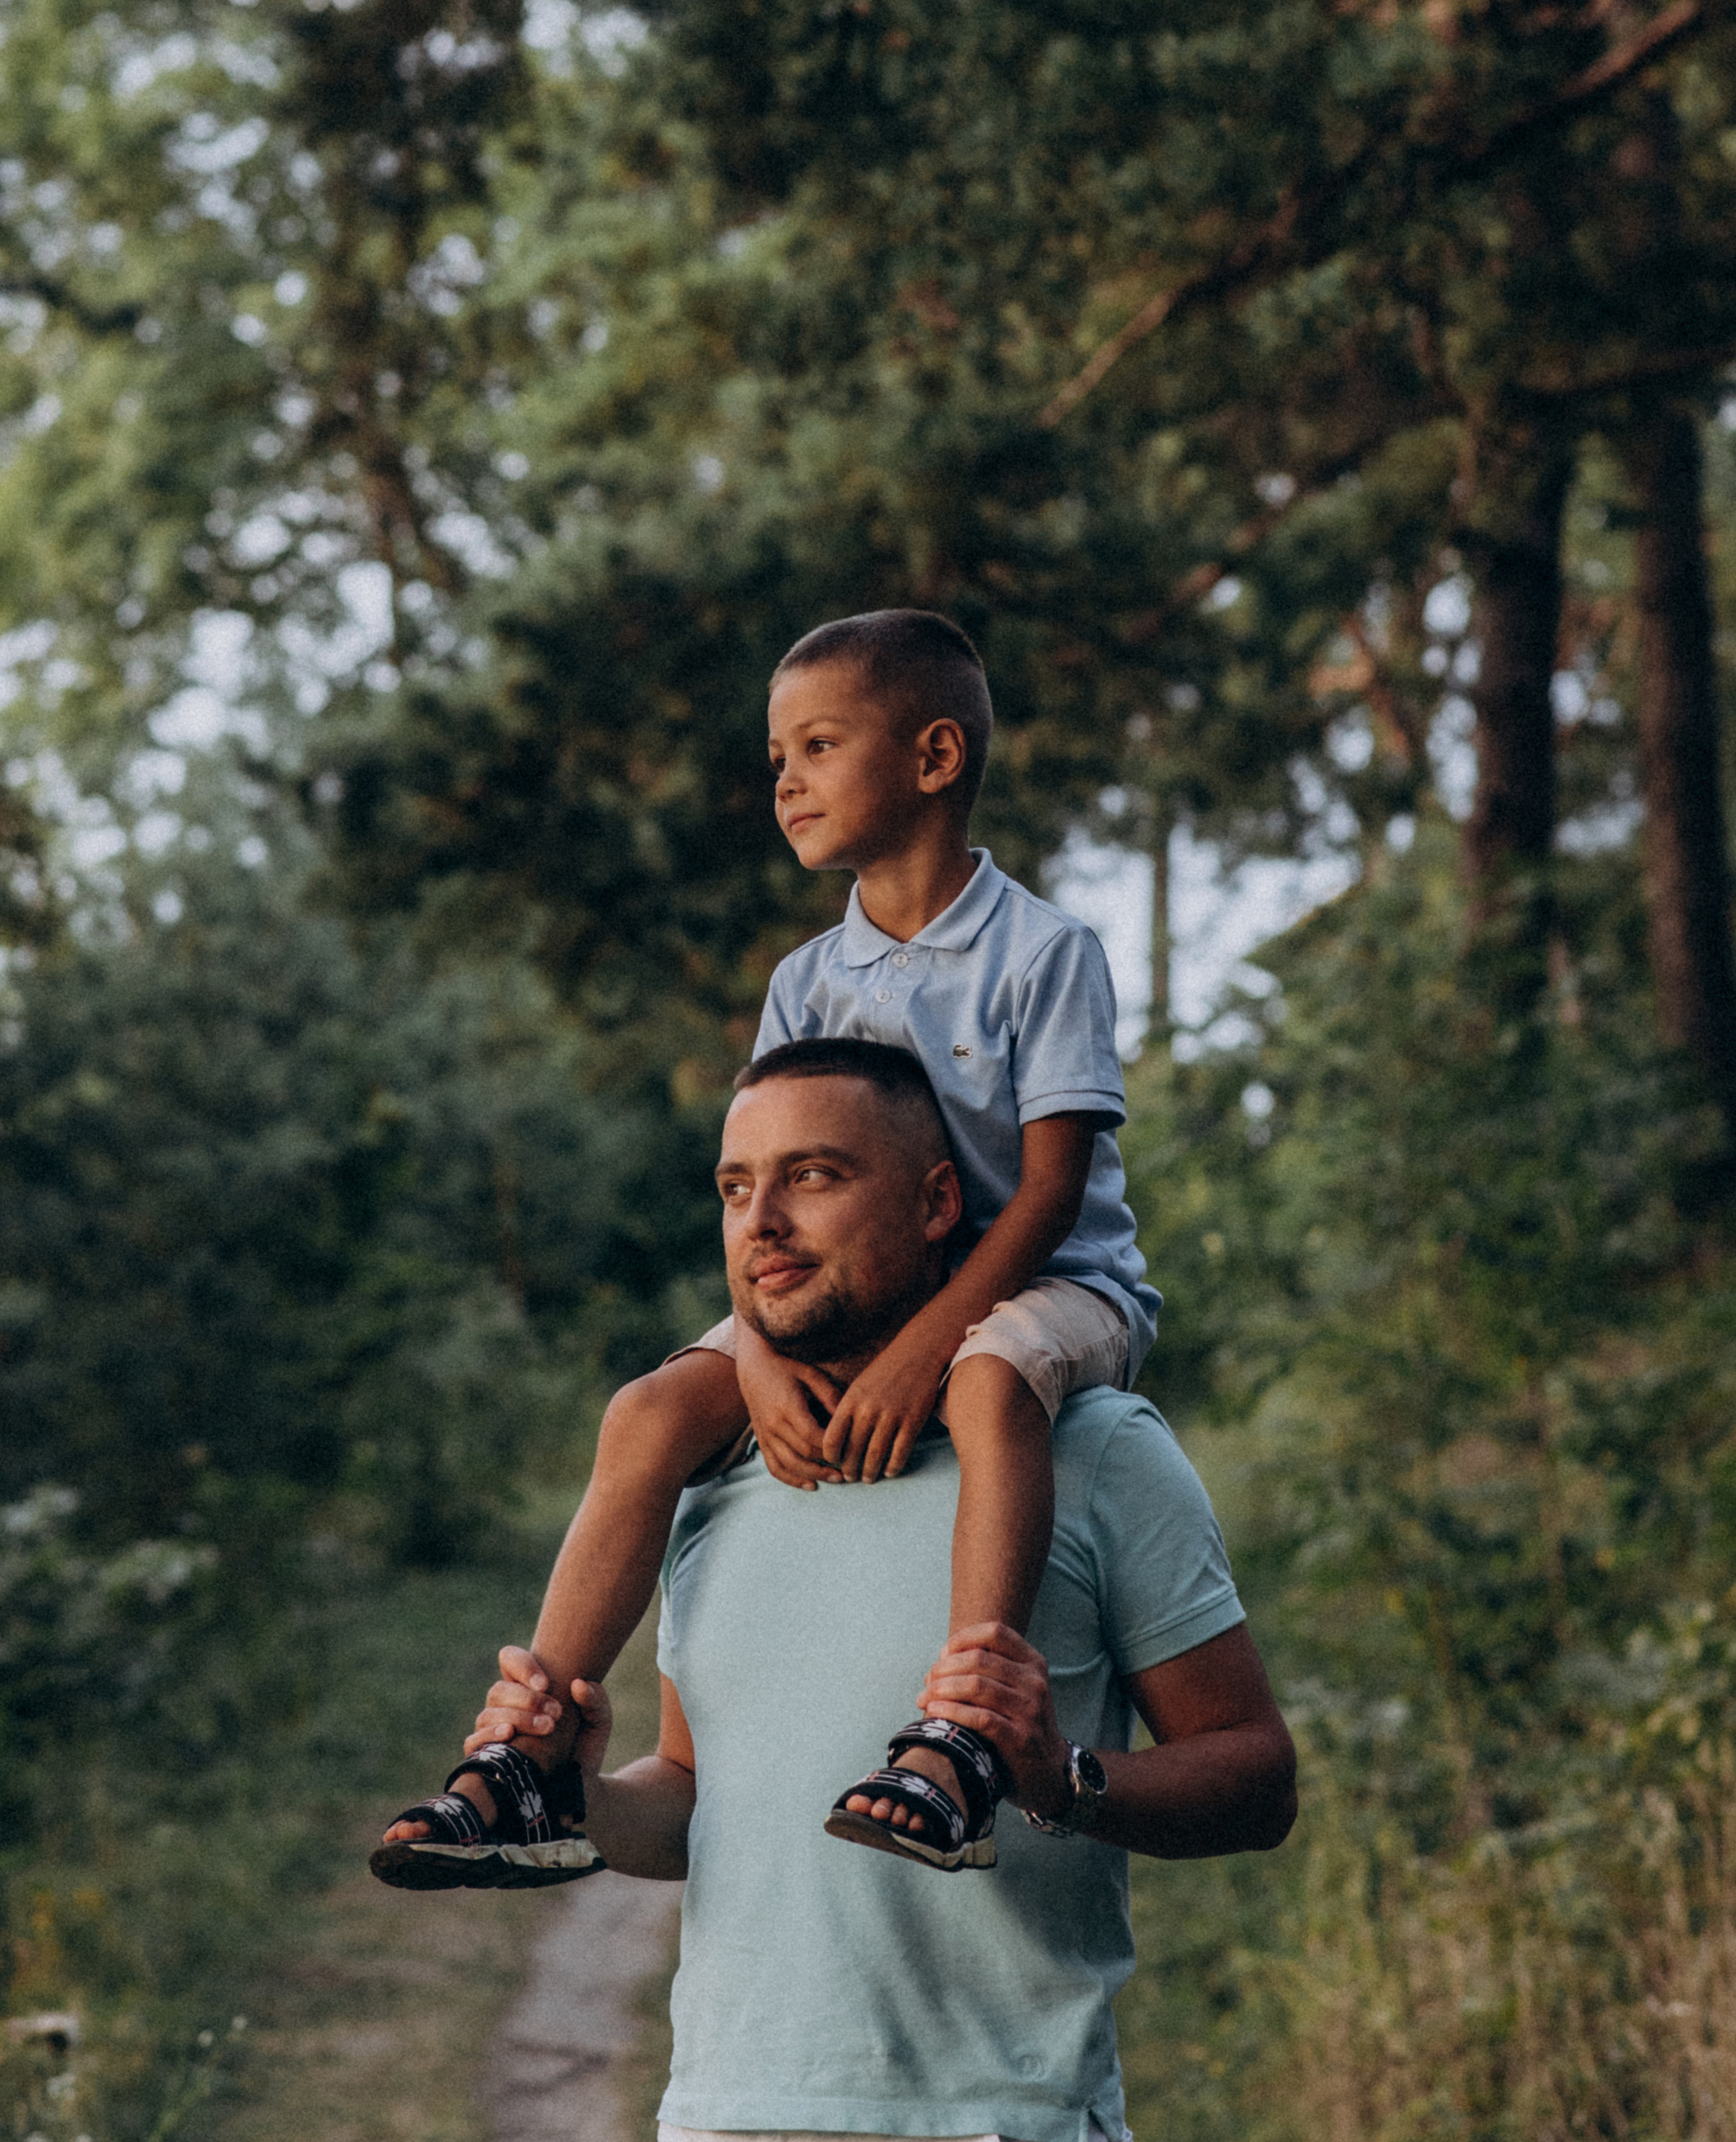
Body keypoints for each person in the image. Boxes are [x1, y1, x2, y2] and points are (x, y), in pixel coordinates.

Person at [463, 1039, 1295, 2142]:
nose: (763, 1224)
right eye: (736, 1188)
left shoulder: (1089, 1450)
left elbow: (1258, 1779)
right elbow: (690, 1793)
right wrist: (578, 1794)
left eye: (815, 1177)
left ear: (931, 1208)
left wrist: (1062, 1777)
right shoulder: (714, 1477)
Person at [374, 610, 1160, 1882]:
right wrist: (748, 1361)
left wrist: (923, 1352)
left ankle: (958, 1737)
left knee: (991, 1381)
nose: (782, 779)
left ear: (934, 755)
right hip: (854, 1296)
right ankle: (528, 1758)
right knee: (644, 1410)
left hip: (1051, 1286)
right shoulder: (807, 979)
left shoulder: (1042, 951)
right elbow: (764, 1197)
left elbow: (1053, 1194)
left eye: (818, 744)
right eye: (776, 752)